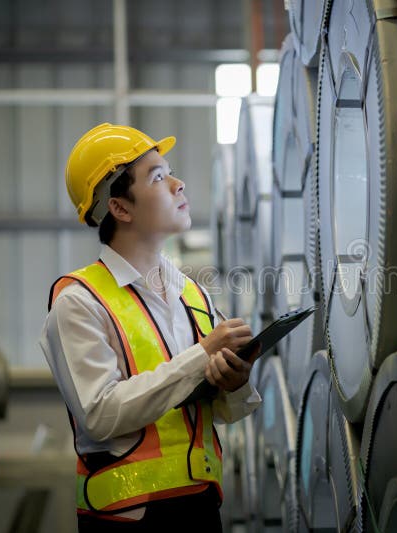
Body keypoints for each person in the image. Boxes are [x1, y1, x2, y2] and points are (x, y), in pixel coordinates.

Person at [40, 123, 261, 532]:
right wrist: (202, 355)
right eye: (158, 177)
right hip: (127, 518)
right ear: (120, 208)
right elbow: (100, 414)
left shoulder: (192, 294)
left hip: (201, 509)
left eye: (170, 171)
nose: (178, 184)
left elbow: (223, 412)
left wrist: (235, 380)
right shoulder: (80, 301)